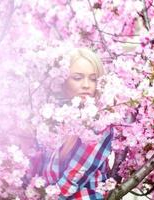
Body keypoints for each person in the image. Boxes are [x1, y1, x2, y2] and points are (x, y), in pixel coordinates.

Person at [42, 47, 114, 199]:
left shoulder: (100, 122)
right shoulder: (54, 117)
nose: (86, 85)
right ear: (63, 80)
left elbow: (76, 175)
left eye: (93, 79)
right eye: (77, 78)